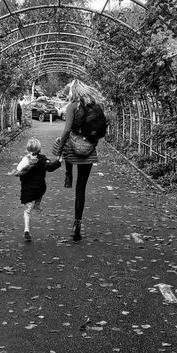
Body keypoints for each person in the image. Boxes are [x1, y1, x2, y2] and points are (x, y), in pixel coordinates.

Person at [55, 79, 106, 242]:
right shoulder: (95, 107)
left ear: (72, 92)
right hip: (89, 150)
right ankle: (77, 224)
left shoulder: (71, 106)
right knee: (81, 187)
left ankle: (68, 173)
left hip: (72, 148)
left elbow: (67, 130)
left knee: (67, 149)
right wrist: (92, 143)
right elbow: (99, 130)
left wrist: (60, 149)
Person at [11, 138, 62, 242]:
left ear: (28, 148)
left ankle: (26, 229)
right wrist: (59, 161)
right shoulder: (43, 159)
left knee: (27, 210)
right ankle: (37, 204)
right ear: (39, 148)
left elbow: (18, 170)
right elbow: (50, 167)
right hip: (39, 187)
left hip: (28, 189)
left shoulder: (25, 159)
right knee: (41, 189)